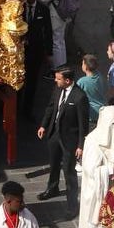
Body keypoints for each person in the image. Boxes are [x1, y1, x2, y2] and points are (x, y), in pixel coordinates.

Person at [36, 65, 88, 213]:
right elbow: (51, 108)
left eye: (58, 79)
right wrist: (44, 126)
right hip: (54, 134)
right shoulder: (58, 89)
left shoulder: (80, 97)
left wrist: (80, 145)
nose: (55, 81)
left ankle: (72, 206)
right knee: (53, 164)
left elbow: (82, 124)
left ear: (67, 80)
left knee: (69, 172)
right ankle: (52, 188)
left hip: (69, 139)